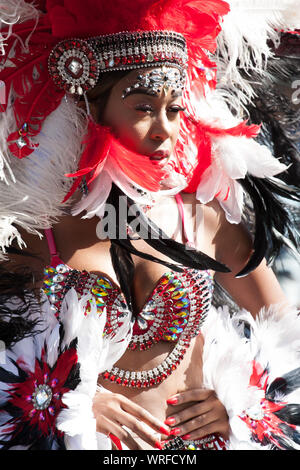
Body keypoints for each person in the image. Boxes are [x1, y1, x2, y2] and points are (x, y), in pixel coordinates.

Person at [0, 0, 300, 451]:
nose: (165, 130)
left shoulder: (200, 216)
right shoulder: (42, 229)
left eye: (175, 110)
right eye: (143, 107)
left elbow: (285, 327)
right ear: (94, 107)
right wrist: (65, 400)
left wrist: (244, 401)